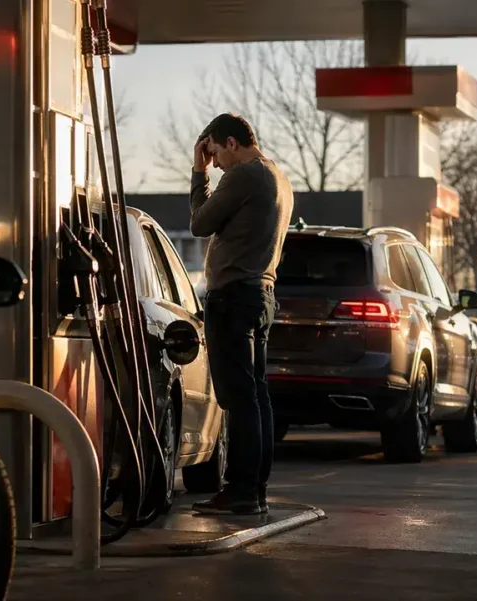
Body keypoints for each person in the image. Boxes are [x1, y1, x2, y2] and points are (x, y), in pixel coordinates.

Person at [189, 113, 294, 515]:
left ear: (231, 143)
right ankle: (255, 488)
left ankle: (241, 491)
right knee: (257, 397)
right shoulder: (279, 178)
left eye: (214, 153)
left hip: (234, 297)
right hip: (261, 294)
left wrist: (197, 175)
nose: (214, 163)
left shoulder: (246, 175)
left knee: (238, 398)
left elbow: (199, 223)